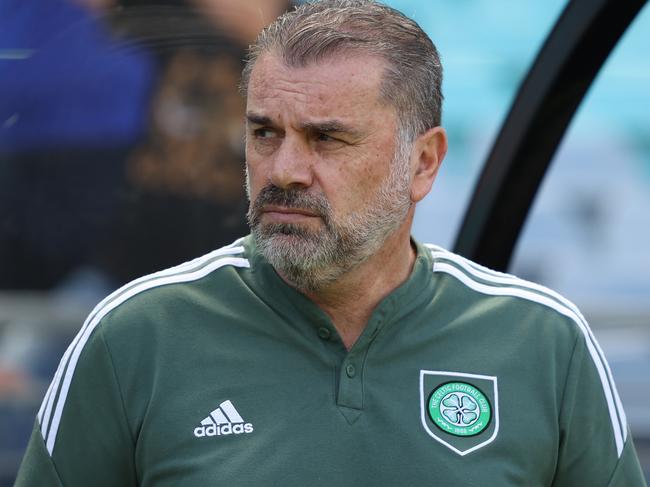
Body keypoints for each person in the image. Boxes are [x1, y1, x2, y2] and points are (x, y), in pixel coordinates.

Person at [15, 1, 647, 485]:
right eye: (264, 133)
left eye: (327, 139)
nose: (284, 169)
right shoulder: (132, 337)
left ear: (424, 163)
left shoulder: (544, 342)